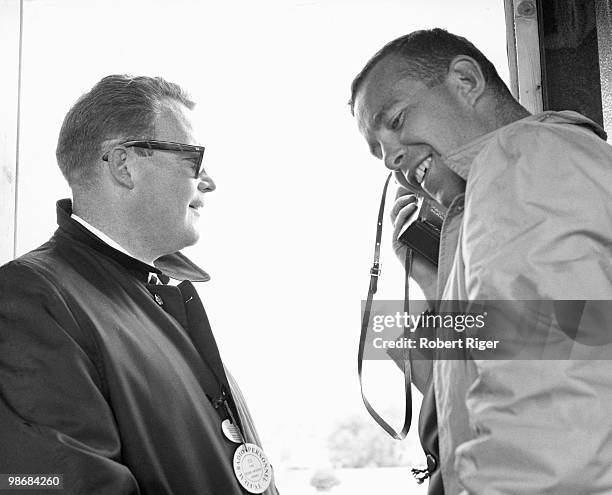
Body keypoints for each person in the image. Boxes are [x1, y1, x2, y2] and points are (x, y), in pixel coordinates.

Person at [350, 29, 612, 494]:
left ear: (466, 81)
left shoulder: (523, 160)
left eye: (395, 119)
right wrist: (437, 283)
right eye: (378, 153)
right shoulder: (530, 174)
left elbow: (551, 426)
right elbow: (533, 359)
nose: (391, 159)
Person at [0, 75, 277, 495]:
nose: (209, 181)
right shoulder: (30, 298)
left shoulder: (155, 294)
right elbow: (53, 485)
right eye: (193, 160)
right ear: (125, 165)